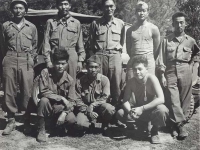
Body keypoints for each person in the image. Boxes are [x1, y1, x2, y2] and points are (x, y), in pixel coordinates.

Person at [156, 12, 200, 139]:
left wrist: (194, 66)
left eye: (181, 22)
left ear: (185, 24)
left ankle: (174, 126)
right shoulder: (166, 40)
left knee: (185, 99)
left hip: (185, 69)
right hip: (170, 70)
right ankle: (181, 126)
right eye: (176, 22)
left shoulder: (191, 41)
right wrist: (162, 75)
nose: (179, 25)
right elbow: (161, 59)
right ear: (173, 24)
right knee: (173, 98)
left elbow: (197, 53)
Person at [1, 0, 38, 136]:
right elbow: (2, 45)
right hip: (10, 58)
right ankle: (10, 120)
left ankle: (26, 120)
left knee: (27, 90)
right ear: (12, 10)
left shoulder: (31, 27)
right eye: (15, 8)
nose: (18, 10)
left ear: (25, 10)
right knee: (8, 89)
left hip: (26, 59)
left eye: (21, 8)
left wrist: (31, 58)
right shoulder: (5, 26)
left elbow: (35, 45)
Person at [116, 55, 169, 144]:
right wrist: (130, 111)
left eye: (140, 69)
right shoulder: (131, 82)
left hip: (152, 109)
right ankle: (139, 125)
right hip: (138, 110)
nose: (137, 72)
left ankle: (154, 131)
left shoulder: (152, 78)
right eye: (134, 69)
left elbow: (161, 99)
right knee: (120, 113)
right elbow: (125, 101)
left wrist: (142, 108)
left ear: (146, 69)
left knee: (162, 110)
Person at [88, 0, 125, 106]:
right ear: (102, 8)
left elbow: (122, 42)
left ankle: (115, 110)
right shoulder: (95, 24)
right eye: (106, 7)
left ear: (115, 7)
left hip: (115, 55)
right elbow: (91, 44)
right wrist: (93, 58)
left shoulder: (121, 24)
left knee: (116, 84)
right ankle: (100, 110)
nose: (109, 9)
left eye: (111, 6)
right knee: (99, 82)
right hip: (100, 56)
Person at [35, 49, 76, 142]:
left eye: (63, 63)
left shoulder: (70, 80)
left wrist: (64, 113)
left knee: (72, 120)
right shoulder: (45, 72)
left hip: (60, 108)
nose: (60, 66)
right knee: (43, 100)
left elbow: (72, 101)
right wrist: (61, 98)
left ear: (67, 63)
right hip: (47, 106)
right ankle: (41, 129)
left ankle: (54, 126)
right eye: (58, 63)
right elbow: (43, 91)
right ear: (53, 62)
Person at [43, 0, 85, 81]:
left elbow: (80, 44)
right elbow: (46, 43)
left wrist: (80, 60)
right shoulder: (50, 22)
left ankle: (71, 94)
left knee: (71, 81)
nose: (63, 7)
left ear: (70, 6)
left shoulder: (76, 23)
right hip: (55, 54)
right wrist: (48, 61)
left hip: (71, 55)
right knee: (55, 81)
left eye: (66, 4)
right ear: (57, 6)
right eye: (60, 4)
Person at [75, 55, 115, 135]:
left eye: (96, 67)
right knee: (80, 124)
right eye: (91, 67)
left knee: (109, 108)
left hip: (99, 108)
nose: (93, 70)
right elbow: (77, 99)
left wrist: (93, 105)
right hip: (85, 109)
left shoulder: (104, 79)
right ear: (86, 67)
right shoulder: (80, 81)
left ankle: (105, 124)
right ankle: (90, 124)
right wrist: (88, 110)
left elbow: (105, 97)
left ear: (99, 68)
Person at [126, 1, 160, 79]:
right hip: (134, 60)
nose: (141, 13)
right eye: (139, 10)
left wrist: (148, 58)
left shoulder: (153, 28)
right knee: (132, 84)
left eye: (144, 11)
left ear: (147, 13)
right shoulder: (130, 30)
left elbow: (157, 49)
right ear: (135, 12)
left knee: (148, 86)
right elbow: (128, 49)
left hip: (148, 62)